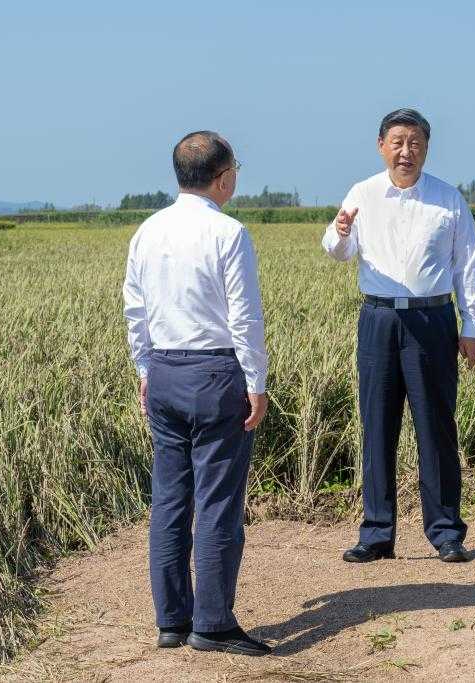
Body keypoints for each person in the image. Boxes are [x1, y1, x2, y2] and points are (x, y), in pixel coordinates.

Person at [123, 131, 271, 655]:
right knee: (217, 502)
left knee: (169, 499)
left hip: (163, 370)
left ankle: (171, 621)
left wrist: (145, 368)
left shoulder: (147, 230)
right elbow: (244, 316)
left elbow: (135, 309)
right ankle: (212, 623)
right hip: (215, 373)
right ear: (224, 177)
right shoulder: (229, 232)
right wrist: (256, 382)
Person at [322, 108, 475, 564]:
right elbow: (337, 250)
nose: (406, 151)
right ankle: (376, 533)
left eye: (415, 143)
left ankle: (446, 532)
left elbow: (467, 266)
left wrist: (471, 325)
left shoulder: (448, 199)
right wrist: (339, 232)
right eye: (397, 142)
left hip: (433, 320)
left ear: (426, 148)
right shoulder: (362, 193)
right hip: (378, 319)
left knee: (436, 426)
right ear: (381, 146)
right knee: (377, 425)